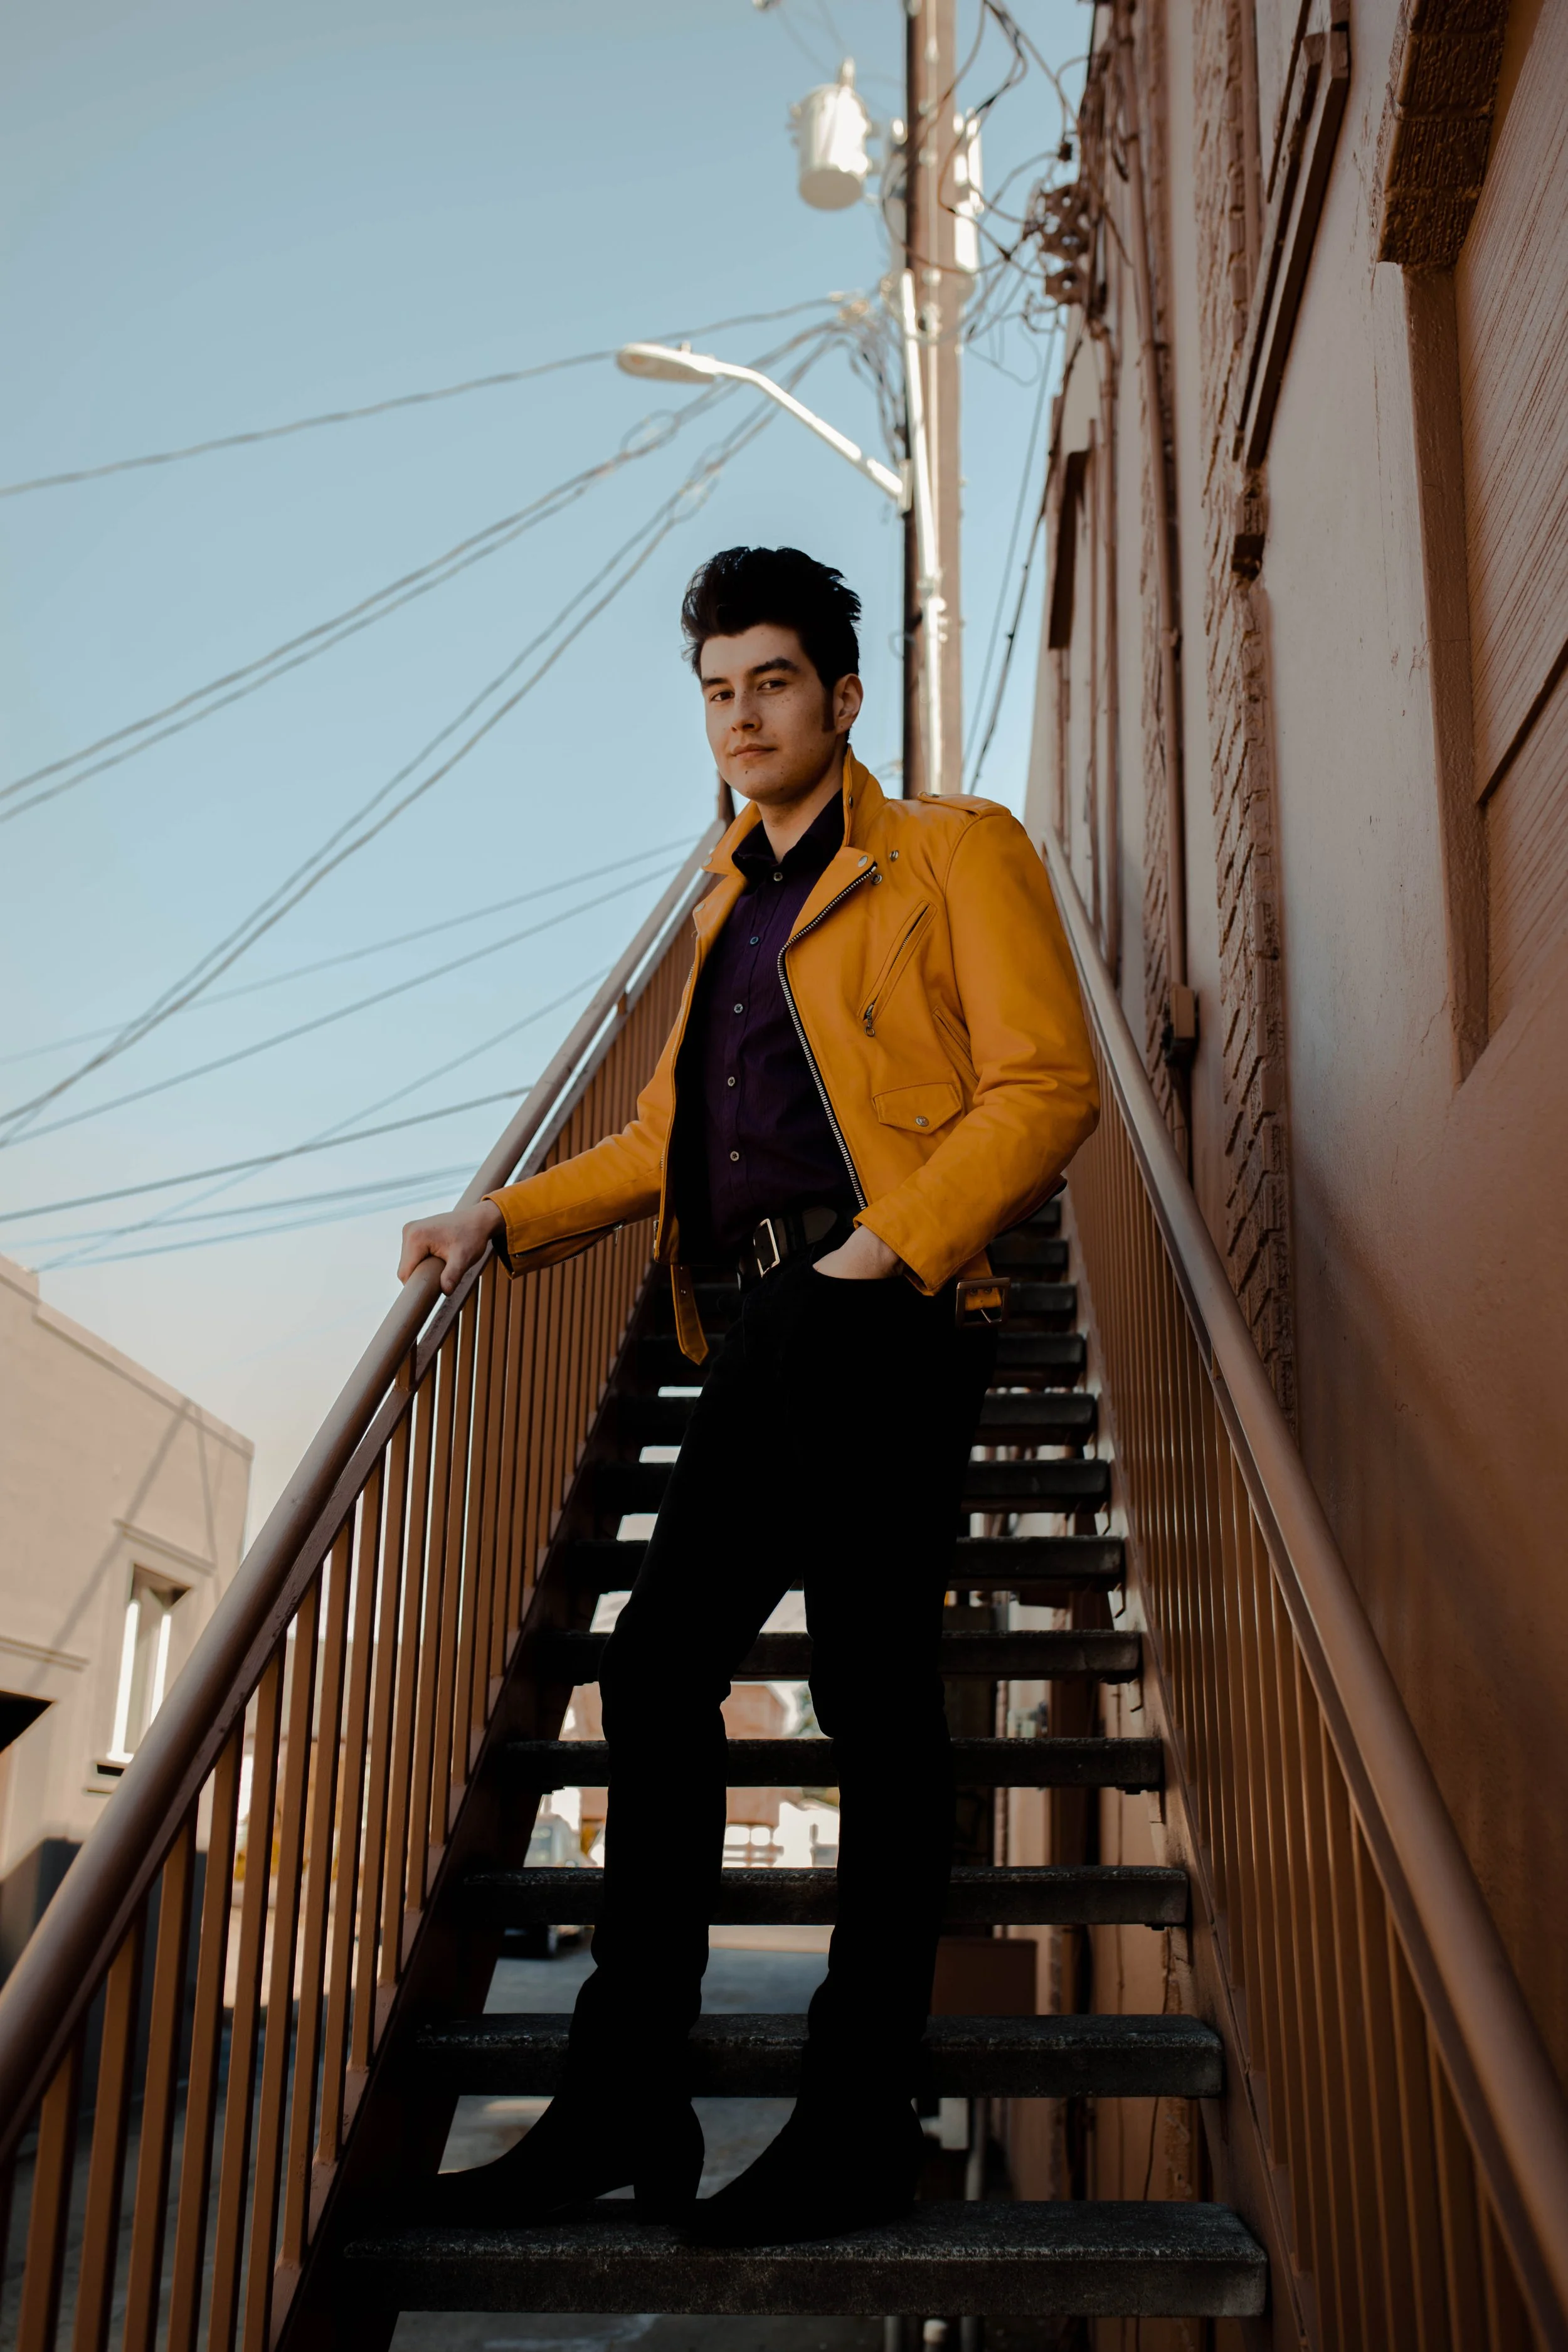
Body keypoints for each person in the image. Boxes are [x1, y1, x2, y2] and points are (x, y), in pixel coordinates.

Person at [398, 544, 1098, 2244]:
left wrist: (883, 1255)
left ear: (840, 696)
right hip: (755, 1330)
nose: (740, 716)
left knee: (871, 1703)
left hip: (881, 1313)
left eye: (770, 682)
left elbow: (1044, 1080)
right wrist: (508, 1215)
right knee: (651, 1680)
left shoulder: (950, 852)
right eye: (716, 691)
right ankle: (620, 2093)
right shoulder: (724, 905)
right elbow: (658, 1147)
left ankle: (851, 2121)